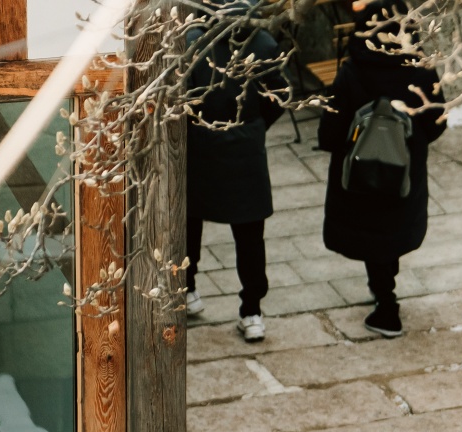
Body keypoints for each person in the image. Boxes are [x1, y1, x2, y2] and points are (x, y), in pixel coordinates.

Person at [317, 0, 445, 338]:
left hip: (359, 173)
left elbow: (329, 133)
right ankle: (385, 289)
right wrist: (410, 144)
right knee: (391, 228)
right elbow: (437, 121)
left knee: (372, 231)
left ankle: (386, 304)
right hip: (403, 170)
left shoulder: (352, 72)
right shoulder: (420, 67)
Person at [183, 3, 290, 342]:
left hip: (202, 145)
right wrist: (255, 125)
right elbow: (282, 94)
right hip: (245, 149)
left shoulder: (193, 44)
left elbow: (183, 98)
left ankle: (187, 290)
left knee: (188, 222)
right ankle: (252, 310)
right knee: (249, 235)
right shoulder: (263, 45)